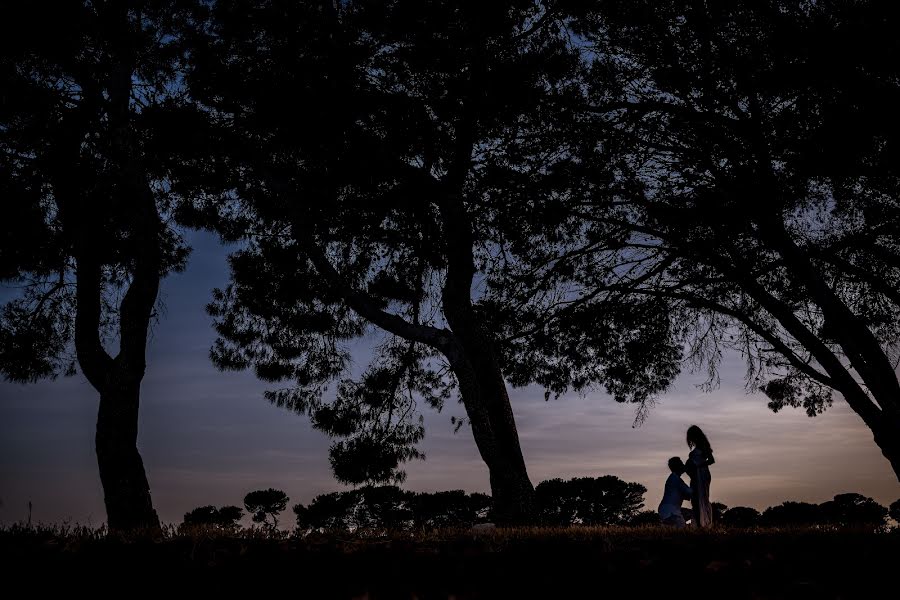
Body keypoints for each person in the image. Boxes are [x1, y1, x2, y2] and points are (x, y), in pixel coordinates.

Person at [685, 425, 715, 527]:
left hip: (701, 475)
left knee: (700, 498)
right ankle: (699, 523)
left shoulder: (703, 445)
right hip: (696, 475)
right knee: (695, 498)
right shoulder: (699, 446)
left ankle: (703, 523)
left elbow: (711, 460)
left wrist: (698, 465)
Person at [658, 456, 692, 528]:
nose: (683, 465)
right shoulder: (676, 480)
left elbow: (686, 495)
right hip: (671, 510)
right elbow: (690, 492)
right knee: (681, 529)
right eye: (681, 464)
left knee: (690, 514)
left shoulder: (673, 478)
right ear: (678, 466)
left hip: (667, 509)